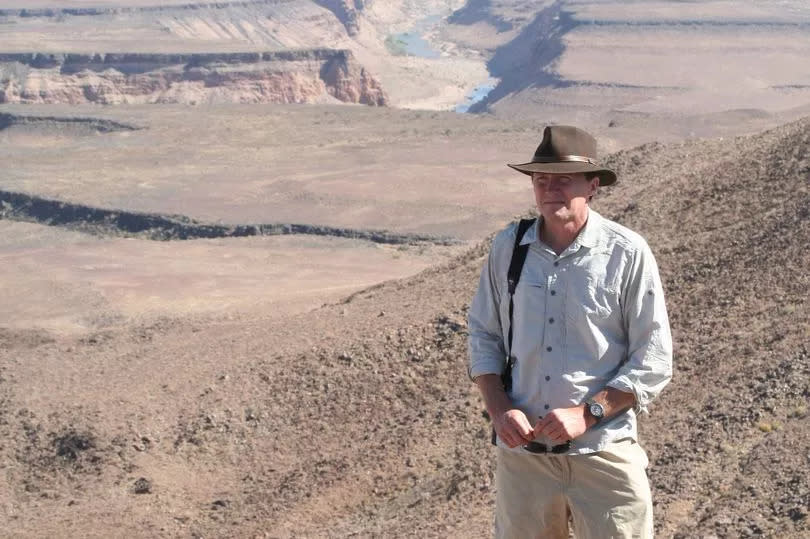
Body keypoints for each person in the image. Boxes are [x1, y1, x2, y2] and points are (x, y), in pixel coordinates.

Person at [468, 125, 673, 538]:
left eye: (564, 179)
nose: (550, 189)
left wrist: (588, 413)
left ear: (592, 186)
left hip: (603, 454)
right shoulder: (508, 248)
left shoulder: (626, 253)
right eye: (541, 179)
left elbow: (654, 359)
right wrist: (498, 406)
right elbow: (483, 335)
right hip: (524, 461)